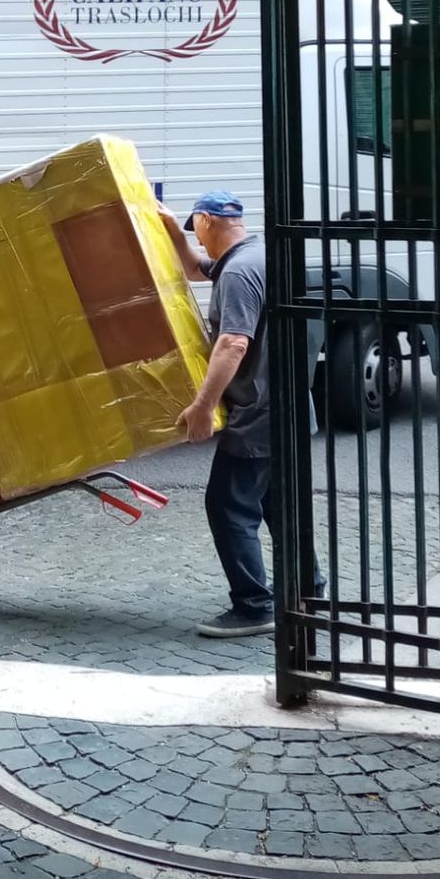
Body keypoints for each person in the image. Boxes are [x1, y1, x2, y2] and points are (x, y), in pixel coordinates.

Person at [164, 189, 315, 639]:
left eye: (197, 228)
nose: (199, 239)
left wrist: (202, 407)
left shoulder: (238, 274)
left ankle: (254, 606)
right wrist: (173, 229)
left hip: (259, 415)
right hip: (290, 408)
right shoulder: (260, 255)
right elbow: (194, 267)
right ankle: (308, 589)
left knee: (228, 505)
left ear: (208, 221)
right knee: (279, 506)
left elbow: (233, 343)